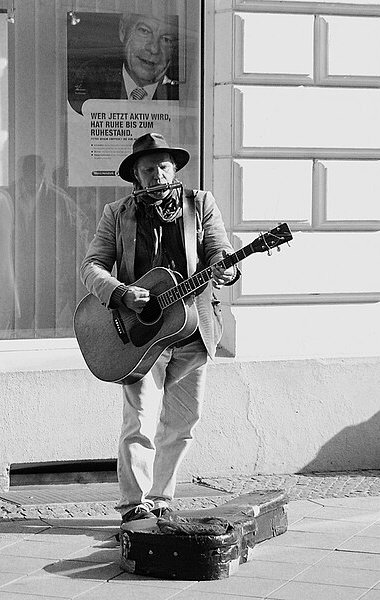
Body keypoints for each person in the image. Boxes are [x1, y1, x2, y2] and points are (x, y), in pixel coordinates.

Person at [79, 132, 239, 523]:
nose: (159, 174)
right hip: (141, 336)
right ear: (136, 175)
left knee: (182, 422)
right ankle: (134, 505)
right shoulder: (117, 212)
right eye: (149, 169)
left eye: (164, 166)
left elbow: (220, 250)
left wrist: (224, 267)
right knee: (139, 421)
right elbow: (92, 266)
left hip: (193, 328)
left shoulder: (200, 204)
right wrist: (120, 293)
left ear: (174, 167)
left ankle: (162, 497)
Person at [69, 8, 180, 114]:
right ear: (123, 31)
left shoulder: (182, 91)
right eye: (144, 31)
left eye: (166, 39)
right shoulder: (91, 77)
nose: (154, 49)